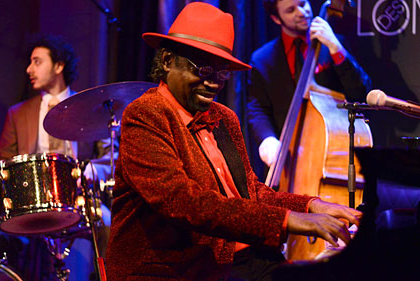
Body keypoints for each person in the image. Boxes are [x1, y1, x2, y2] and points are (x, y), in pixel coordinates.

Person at [105, 2, 362, 281]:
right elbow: (182, 202)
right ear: (167, 61)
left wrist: (313, 205)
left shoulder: (222, 117)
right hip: (168, 270)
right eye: (203, 69)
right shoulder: (145, 115)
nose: (213, 83)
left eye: (222, 72)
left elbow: (251, 192)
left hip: (234, 260)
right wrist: (290, 221)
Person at [0, 34, 112, 281]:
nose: (29, 69)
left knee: (110, 221)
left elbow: (112, 154)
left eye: (37, 62)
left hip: (79, 200)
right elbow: (3, 162)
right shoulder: (17, 113)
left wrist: (91, 171)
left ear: (58, 66)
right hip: (29, 204)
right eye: (29, 62)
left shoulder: (90, 107)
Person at [247, 0, 372, 178]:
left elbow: (361, 93)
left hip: (334, 157)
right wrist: (267, 139)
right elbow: (257, 107)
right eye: (290, 10)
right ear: (276, 19)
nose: (301, 12)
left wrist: (335, 47)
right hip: (288, 164)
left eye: (303, 3)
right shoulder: (262, 59)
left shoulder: (335, 45)